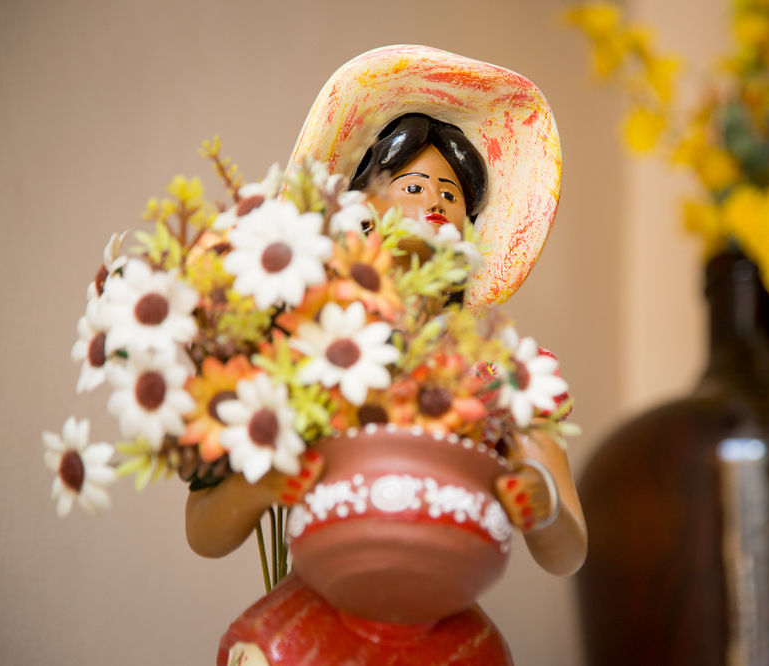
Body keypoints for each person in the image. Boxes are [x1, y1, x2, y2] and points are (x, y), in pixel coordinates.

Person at [186, 45, 586, 580]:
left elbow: (569, 552)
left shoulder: (500, 369)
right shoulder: (298, 341)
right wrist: (264, 481)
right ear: (359, 218)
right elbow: (204, 532)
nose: (437, 204)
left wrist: (541, 501)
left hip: (443, 625)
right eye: (414, 187)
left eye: (451, 195)